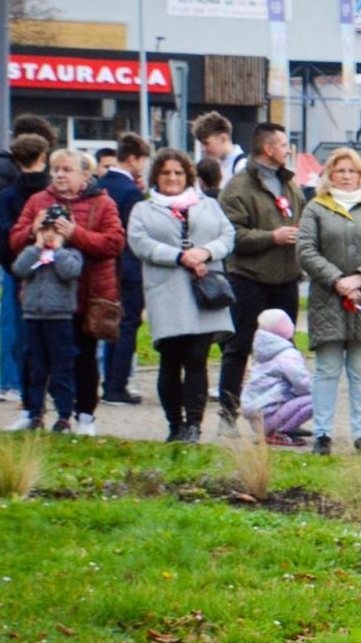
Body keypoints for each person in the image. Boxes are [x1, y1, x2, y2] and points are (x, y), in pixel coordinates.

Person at [9, 149, 124, 437]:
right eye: (55, 169)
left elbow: (114, 244)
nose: (59, 175)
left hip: (87, 296)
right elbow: (14, 241)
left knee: (83, 357)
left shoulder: (103, 203)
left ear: (85, 175)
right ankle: (31, 412)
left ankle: (84, 415)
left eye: (67, 169)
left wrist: (74, 233)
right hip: (44, 298)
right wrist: (32, 231)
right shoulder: (38, 201)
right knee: (34, 358)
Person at [127, 149, 236, 443]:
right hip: (168, 292)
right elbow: (140, 243)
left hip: (204, 292)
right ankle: (175, 424)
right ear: (156, 177)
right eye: (166, 173)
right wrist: (178, 257)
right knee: (171, 359)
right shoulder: (143, 210)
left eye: (178, 173)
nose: (173, 178)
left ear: (188, 176)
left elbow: (227, 237)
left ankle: (194, 425)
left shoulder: (208, 205)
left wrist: (205, 251)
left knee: (197, 358)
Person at [297, 147, 361, 455]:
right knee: (327, 368)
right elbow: (305, 249)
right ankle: (323, 433)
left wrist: (360, 277)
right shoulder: (316, 208)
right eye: (339, 171)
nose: (345, 176)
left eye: (351, 171)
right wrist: (337, 281)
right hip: (327, 299)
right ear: (329, 175)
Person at [216, 122, 305, 425]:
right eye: (283, 144)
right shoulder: (237, 188)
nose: (287, 150)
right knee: (238, 347)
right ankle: (227, 416)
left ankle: (282, 419)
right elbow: (231, 236)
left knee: (286, 353)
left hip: (285, 280)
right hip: (248, 279)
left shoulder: (290, 185)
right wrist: (271, 237)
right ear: (268, 149)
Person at [0, 113, 59, 402]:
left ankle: (19, 381)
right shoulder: (5, 172)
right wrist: (2, 252)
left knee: (21, 321)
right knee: (15, 322)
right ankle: (12, 382)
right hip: (15, 256)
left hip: (17, 254)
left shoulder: (3, 169)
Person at [0, 134, 52, 428]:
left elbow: (5, 239)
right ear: (44, 157)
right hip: (56, 275)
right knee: (57, 339)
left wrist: (15, 267)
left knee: (23, 338)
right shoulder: (50, 193)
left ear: (16, 161)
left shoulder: (7, 196)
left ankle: (28, 402)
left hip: (20, 272)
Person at [10, 210, 83, 432]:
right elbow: (19, 269)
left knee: (62, 368)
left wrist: (57, 249)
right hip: (33, 316)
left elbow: (70, 272)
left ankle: (63, 415)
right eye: (46, 230)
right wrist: (36, 247)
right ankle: (35, 413)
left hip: (59, 318)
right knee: (36, 368)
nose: (50, 235)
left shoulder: (71, 254)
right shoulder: (31, 253)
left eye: (56, 231)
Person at [98, 132, 151, 406]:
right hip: (128, 268)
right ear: (132, 159)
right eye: (142, 161)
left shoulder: (100, 184)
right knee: (127, 325)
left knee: (107, 325)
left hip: (102, 266)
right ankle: (116, 386)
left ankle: (108, 381)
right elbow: (135, 233)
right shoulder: (131, 192)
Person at [241, 307, 312, 446]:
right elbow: (302, 383)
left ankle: (277, 429)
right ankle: (281, 431)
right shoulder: (287, 354)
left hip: (255, 418)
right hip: (270, 417)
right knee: (317, 399)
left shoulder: (261, 351)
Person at [193, 110, 246, 185]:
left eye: (206, 143)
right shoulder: (217, 166)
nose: (203, 149)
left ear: (223, 138)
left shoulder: (242, 167)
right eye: (201, 144)